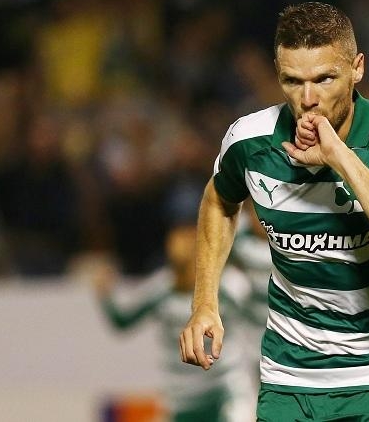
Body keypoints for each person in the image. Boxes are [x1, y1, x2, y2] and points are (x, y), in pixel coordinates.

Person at [179, 2, 369, 421]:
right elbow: (219, 200)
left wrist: (339, 156)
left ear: (357, 69)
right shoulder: (249, 141)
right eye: (293, 81)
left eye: (325, 79)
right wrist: (204, 303)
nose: (308, 100)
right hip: (290, 372)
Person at [94, 178, 256, 422]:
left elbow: (259, 315)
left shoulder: (228, 284)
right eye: (175, 232)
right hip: (181, 399)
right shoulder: (160, 287)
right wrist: (105, 295)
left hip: (224, 394)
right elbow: (123, 321)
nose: (180, 241)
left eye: (189, 231)